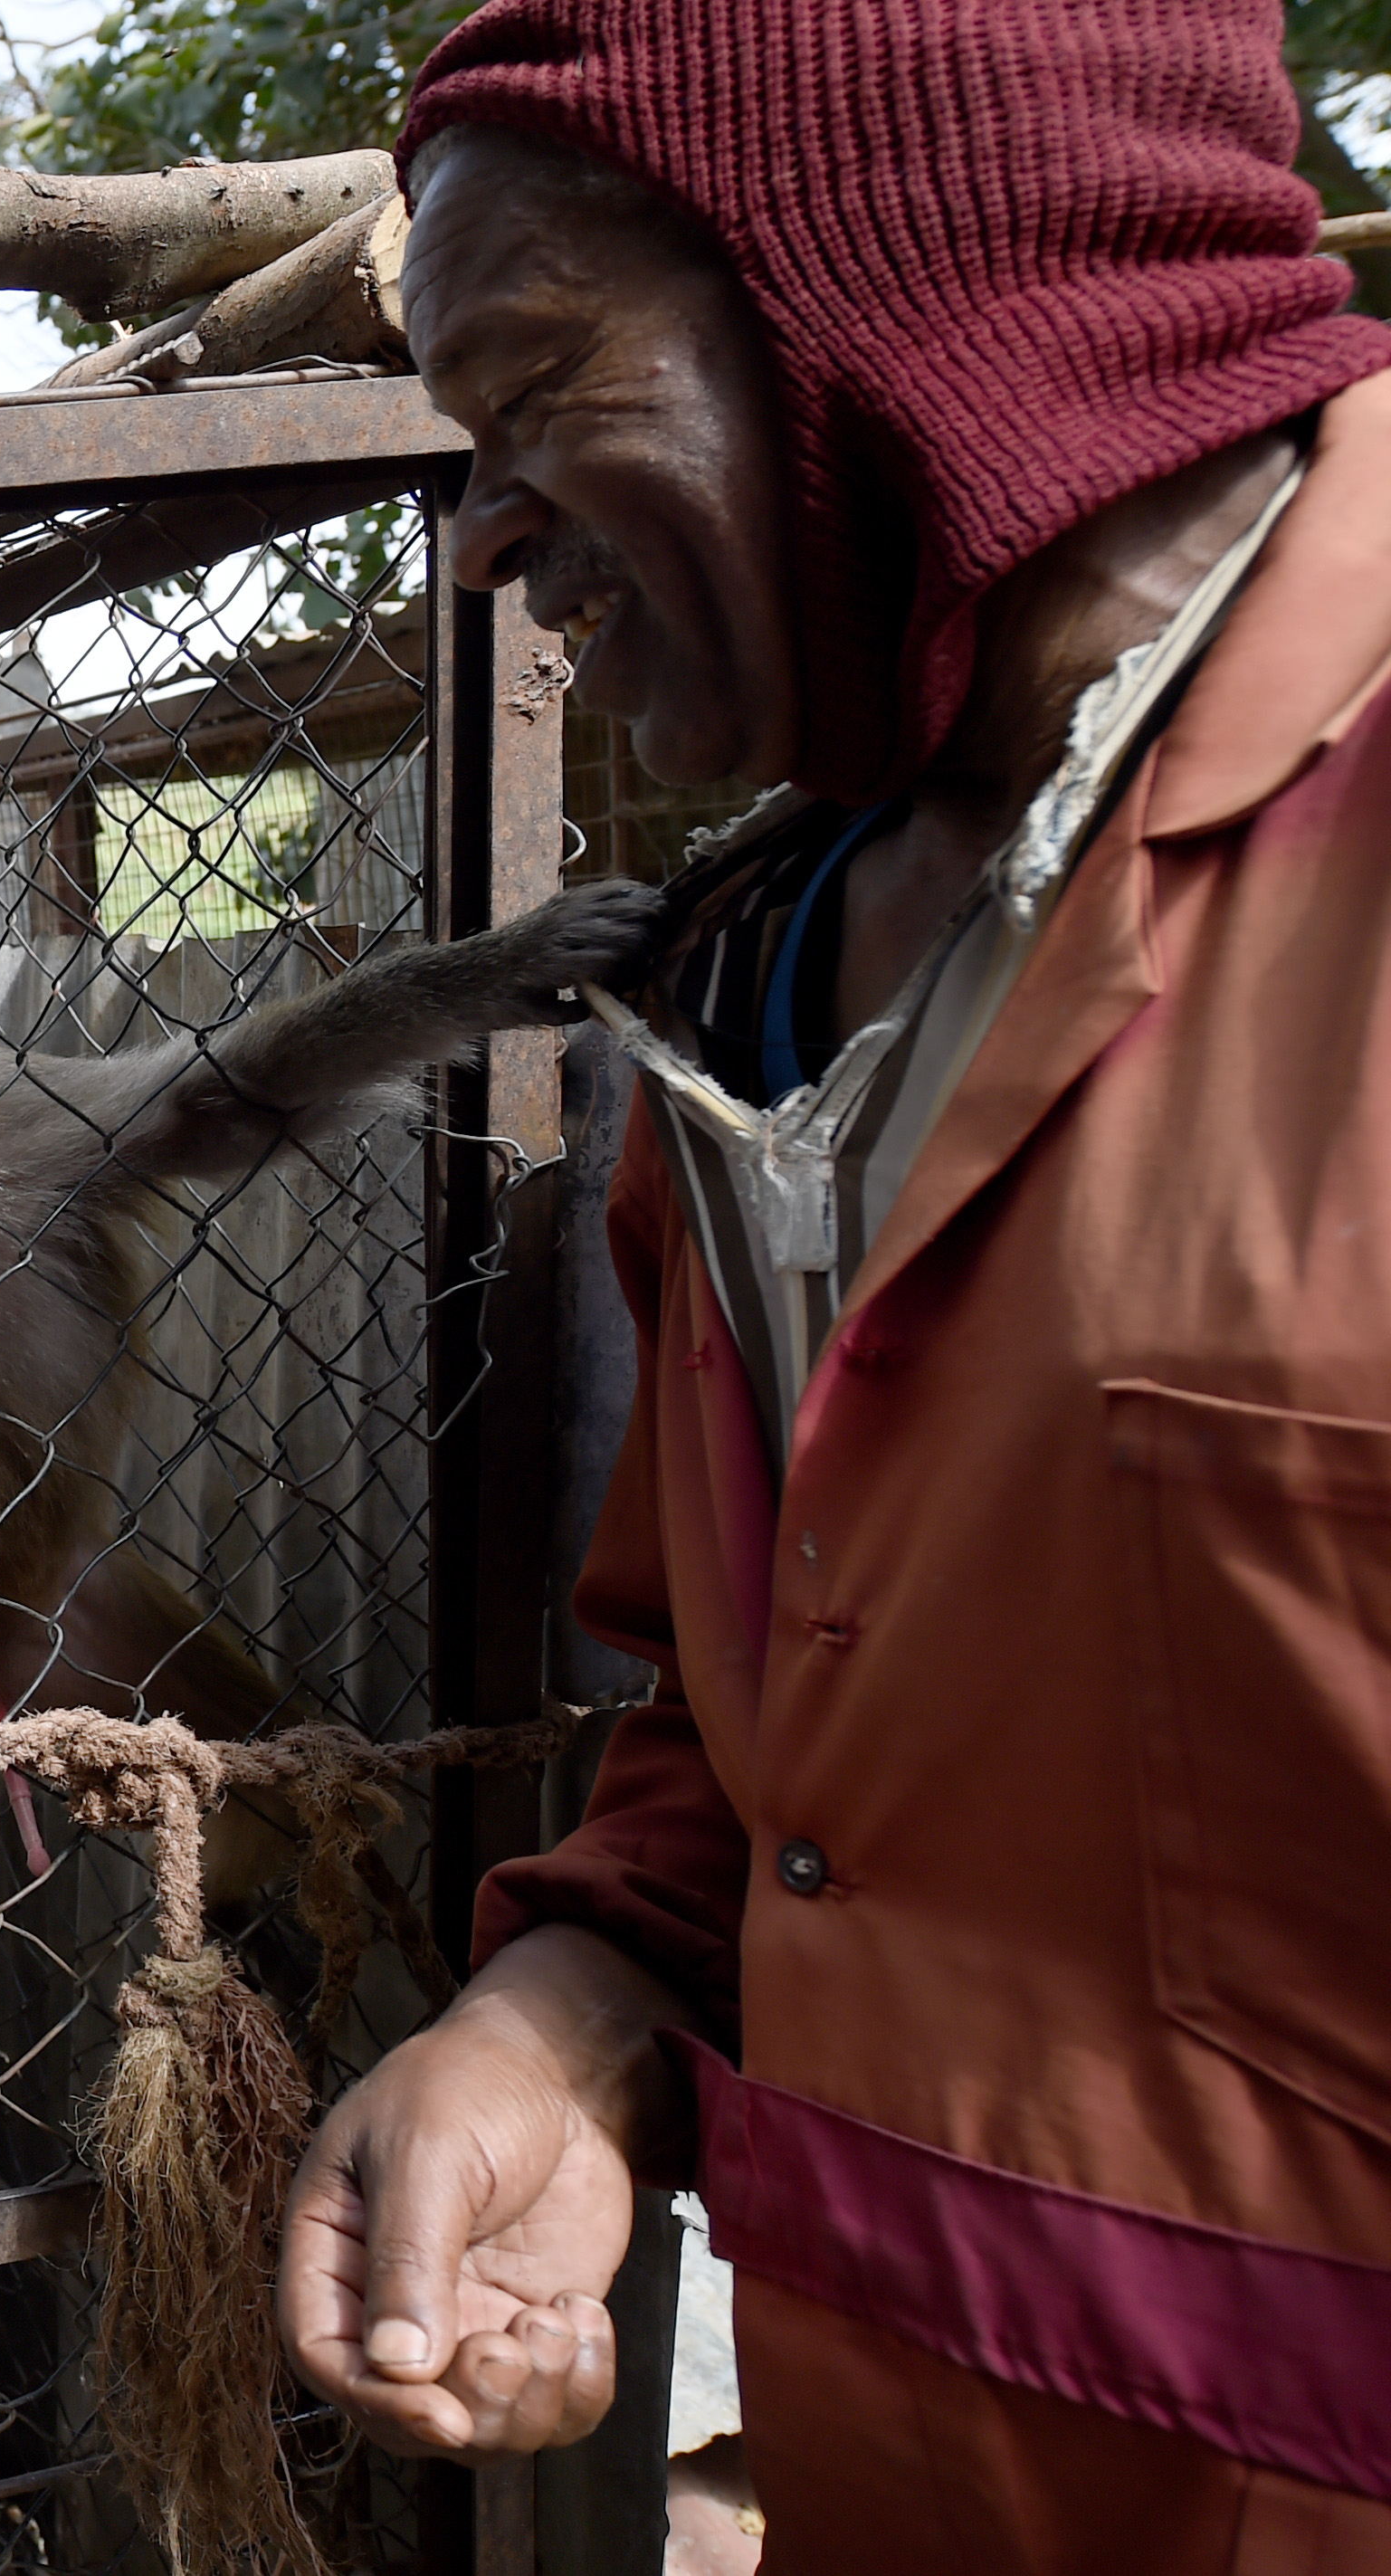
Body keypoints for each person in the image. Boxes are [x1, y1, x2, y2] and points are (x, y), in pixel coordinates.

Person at [272, 1, 1391, 2564]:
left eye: (537, 384)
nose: (479, 542)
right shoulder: (778, 988)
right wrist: (580, 2024)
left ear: (911, 288)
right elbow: (793, 1746)